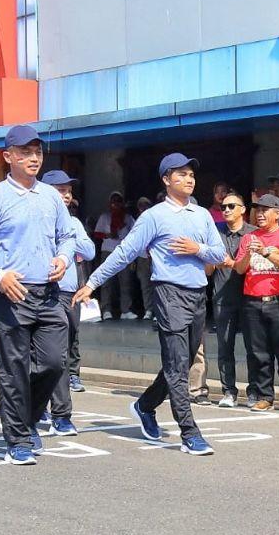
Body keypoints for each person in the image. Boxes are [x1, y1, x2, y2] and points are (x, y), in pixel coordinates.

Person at [72, 152, 226, 456]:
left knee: (179, 364)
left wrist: (199, 248)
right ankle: (189, 433)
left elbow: (219, 254)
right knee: (177, 365)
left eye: (191, 174)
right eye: (180, 174)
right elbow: (124, 253)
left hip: (197, 295)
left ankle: (144, 406)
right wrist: (92, 284)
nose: (189, 179)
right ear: (166, 180)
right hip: (168, 294)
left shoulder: (202, 215)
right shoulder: (154, 216)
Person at [0, 124, 76, 466]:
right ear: (8, 156)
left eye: (37, 152)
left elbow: (67, 237)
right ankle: (18, 438)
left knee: (55, 363)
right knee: (13, 368)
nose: (33, 159)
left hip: (49, 293)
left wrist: (63, 257)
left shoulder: (52, 197)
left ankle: (26, 418)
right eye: (25, 153)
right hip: (10, 294)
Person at [233, 193, 279, 413]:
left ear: (278, 213)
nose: (260, 214)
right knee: (258, 353)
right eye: (258, 209)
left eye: (265, 210)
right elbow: (239, 268)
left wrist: (265, 251)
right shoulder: (248, 238)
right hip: (252, 301)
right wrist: (249, 253)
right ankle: (265, 396)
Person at [41, 169, 96, 435]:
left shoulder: (74, 223)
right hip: (40, 292)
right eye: (61, 190)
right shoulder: (37, 219)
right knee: (47, 357)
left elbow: (89, 251)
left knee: (60, 354)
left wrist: (69, 236)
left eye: (68, 191)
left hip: (68, 293)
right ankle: (51, 410)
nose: (67, 195)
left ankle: (59, 414)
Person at [206, 192, 255, 408]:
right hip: (222, 297)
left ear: (243, 209)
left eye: (231, 206)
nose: (226, 210)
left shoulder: (254, 234)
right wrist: (212, 261)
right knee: (225, 347)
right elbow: (207, 270)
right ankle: (228, 391)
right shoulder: (215, 233)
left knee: (254, 347)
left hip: (251, 297)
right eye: (223, 206)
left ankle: (256, 392)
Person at [94, 191, 137, 319]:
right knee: (106, 281)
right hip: (107, 251)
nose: (115, 204)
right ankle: (106, 310)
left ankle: (125, 310)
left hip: (123, 252)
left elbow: (136, 234)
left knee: (125, 281)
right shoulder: (104, 216)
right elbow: (96, 233)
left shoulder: (128, 218)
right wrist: (107, 235)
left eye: (118, 201)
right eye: (113, 201)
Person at [133, 196, 156, 320]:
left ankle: (158, 312)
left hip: (155, 256)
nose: (143, 207)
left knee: (157, 284)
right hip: (142, 257)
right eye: (141, 205)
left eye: (146, 205)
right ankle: (148, 309)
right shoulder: (136, 221)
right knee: (145, 284)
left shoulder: (154, 218)